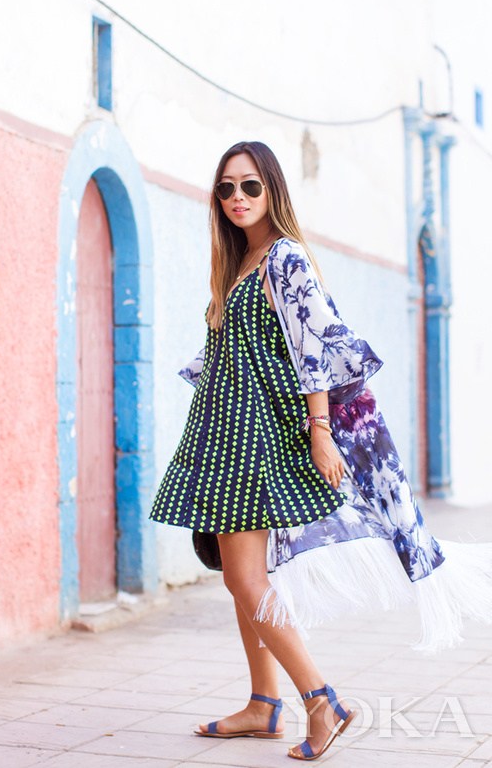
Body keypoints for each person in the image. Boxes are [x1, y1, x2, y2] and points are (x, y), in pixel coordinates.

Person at [149, 141, 492, 761]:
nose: (236, 198)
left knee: (246, 577)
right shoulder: (237, 262)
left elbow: (318, 345)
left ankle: (321, 701)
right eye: (225, 188)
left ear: (272, 189)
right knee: (239, 576)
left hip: (257, 437)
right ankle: (263, 704)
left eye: (249, 186)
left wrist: (321, 428)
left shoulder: (284, 257)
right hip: (225, 434)